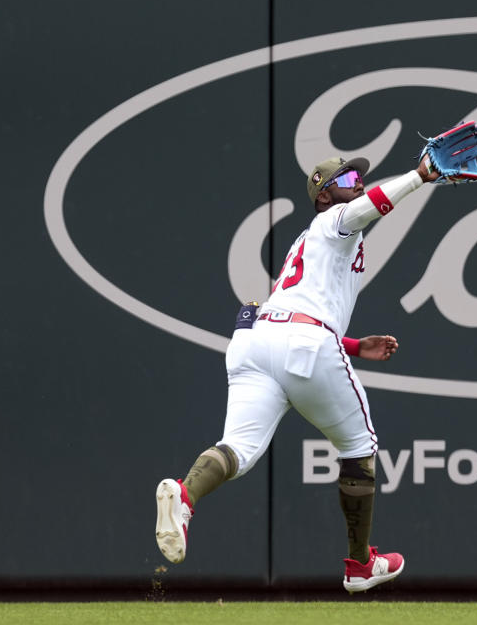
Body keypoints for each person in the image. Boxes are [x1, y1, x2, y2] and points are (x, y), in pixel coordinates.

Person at [155, 151, 444, 592]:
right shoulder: (333, 222)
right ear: (325, 194)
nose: (358, 180)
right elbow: (372, 206)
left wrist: (351, 345)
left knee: (237, 450)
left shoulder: (307, 243)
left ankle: (186, 495)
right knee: (359, 446)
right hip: (302, 345)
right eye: (349, 176)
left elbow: (292, 313)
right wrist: (419, 176)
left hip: (256, 341)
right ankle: (361, 564)